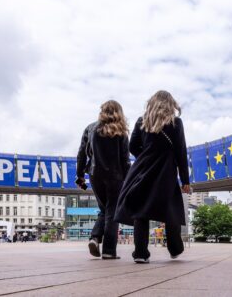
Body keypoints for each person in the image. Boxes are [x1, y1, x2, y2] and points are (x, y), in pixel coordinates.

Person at [115, 90, 190, 264]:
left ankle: (140, 253)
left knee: (141, 211)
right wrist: (185, 180)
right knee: (170, 209)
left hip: (142, 170)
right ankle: (175, 248)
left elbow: (133, 146)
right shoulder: (176, 123)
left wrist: (147, 154)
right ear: (171, 104)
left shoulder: (142, 122)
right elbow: (181, 152)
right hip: (166, 172)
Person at [76, 100, 131, 260]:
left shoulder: (90, 128)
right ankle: (108, 251)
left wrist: (80, 175)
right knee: (112, 212)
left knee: (104, 209)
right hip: (115, 177)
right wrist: (128, 181)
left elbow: (81, 153)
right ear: (118, 113)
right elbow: (125, 159)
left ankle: (94, 237)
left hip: (94, 174)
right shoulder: (121, 132)